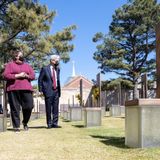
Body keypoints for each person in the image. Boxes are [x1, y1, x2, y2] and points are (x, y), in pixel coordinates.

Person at [3, 49, 35, 132]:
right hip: (13, 88)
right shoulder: (10, 65)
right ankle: (16, 126)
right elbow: (6, 75)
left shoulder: (27, 66)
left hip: (26, 88)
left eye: (22, 55)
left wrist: (27, 76)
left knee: (29, 106)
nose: (21, 57)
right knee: (15, 108)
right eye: (19, 55)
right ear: (15, 56)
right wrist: (17, 75)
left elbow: (33, 76)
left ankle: (25, 122)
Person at [38, 55, 61, 128]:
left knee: (56, 108)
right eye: (56, 60)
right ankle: (49, 123)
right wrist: (40, 90)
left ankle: (55, 123)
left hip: (56, 90)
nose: (57, 61)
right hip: (48, 91)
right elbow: (40, 79)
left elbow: (57, 79)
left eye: (58, 60)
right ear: (52, 60)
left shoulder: (57, 69)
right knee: (48, 108)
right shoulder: (45, 69)